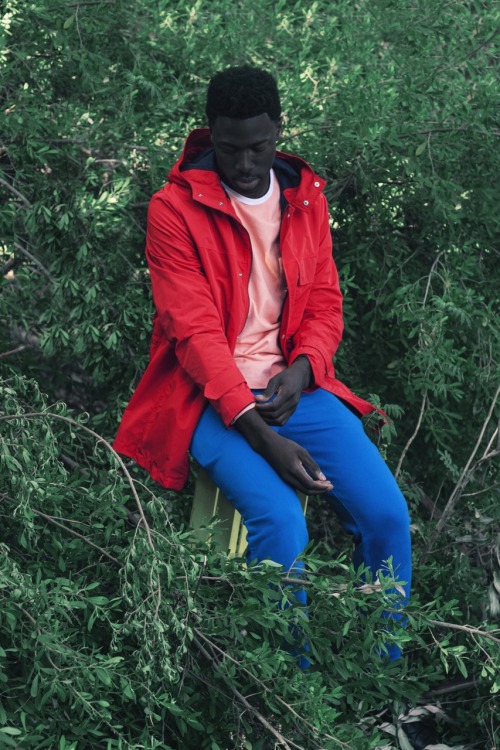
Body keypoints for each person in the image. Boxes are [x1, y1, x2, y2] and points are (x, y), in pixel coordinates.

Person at [114, 65, 411, 655]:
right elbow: (194, 334)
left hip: (293, 390)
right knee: (283, 524)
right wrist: (261, 436)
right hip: (209, 399)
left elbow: (325, 302)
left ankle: (385, 674)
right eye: (230, 150)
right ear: (209, 135)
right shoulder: (173, 210)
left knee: (387, 517)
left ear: (278, 130)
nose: (246, 165)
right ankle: (291, 693)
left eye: (258, 147)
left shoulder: (305, 198)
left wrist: (303, 369)